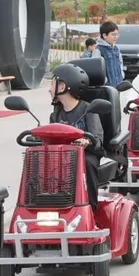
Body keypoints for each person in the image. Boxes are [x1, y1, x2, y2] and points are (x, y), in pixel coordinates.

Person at [49, 63, 104, 209]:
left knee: (87, 162)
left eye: (52, 84)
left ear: (62, 86)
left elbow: (97, 139)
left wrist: (87, 141)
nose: (49, 89)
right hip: (63, 153)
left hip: (86, 154)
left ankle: (91, 209)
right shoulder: (56, 114)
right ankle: (49, 204)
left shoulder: (88, 109)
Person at [94, 21, 124, 86]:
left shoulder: (116, 49)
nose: (116, 37)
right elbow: (95, 69)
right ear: (104, 35)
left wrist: (121, 74)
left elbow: (120, 62)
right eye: (113, 34)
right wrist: (104, 80)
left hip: (118, 84)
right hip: (107, 86)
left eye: (117, 34)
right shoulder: (98, 49)